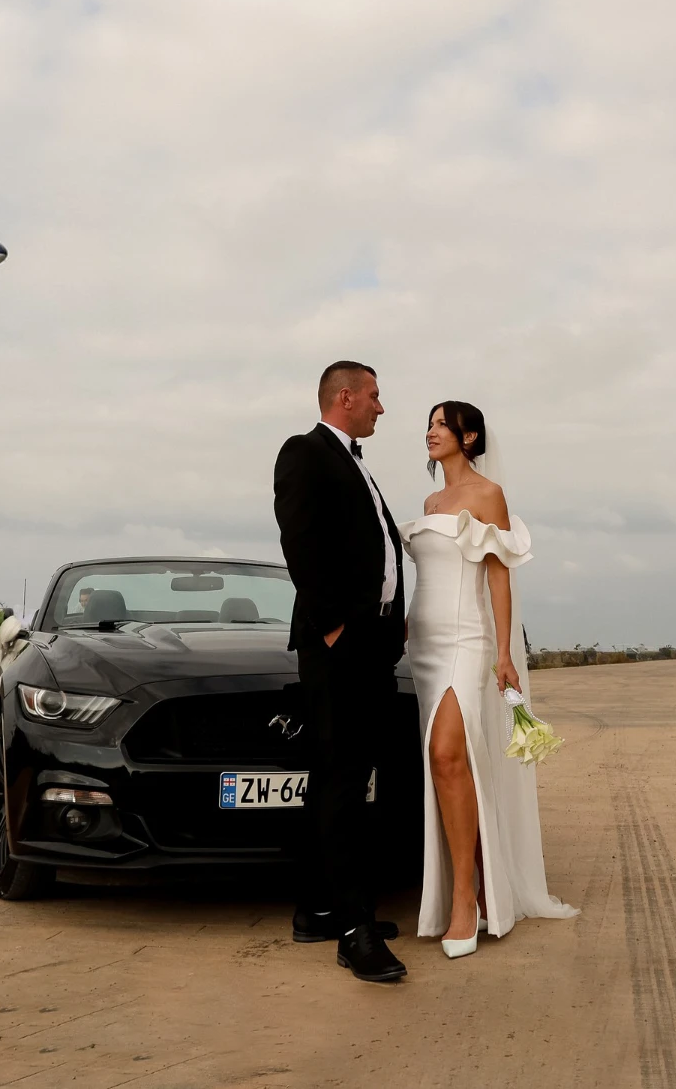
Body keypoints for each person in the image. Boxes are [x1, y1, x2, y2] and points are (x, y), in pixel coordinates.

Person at [399, 401, 578, 960]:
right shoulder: (430, 503)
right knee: (446, 766)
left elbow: (499, 578)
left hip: (467, 641)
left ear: (469, 437)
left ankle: (465, 899)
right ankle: (472, 888)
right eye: (429, 424)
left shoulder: (488, 495)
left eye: (441, 424)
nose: (430, 432)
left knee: (449, 755)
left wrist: (504, 652)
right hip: (423, 646)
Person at [272, 361, 409, 983]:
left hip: (369, 645)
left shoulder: (356, 463)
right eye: (375, 396)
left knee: (339, 779)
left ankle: (319, 909)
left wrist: (391, 625)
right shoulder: (305, 452)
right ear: (345, 397)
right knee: (346, 785)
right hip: (340, 648)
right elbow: (300, 544)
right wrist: (334, 629)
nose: (381, 407)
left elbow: (376, 552)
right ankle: (356, 932)